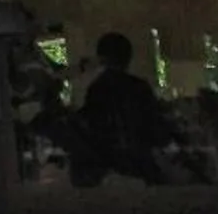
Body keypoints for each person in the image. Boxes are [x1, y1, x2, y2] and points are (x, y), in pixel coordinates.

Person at [69, 32, 175, 188]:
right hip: (139, 163)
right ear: (128, 57)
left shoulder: (97, 89)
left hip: (110, 164)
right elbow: (155, 127)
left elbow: (92, 126)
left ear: (101, 58)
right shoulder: (138, 87)